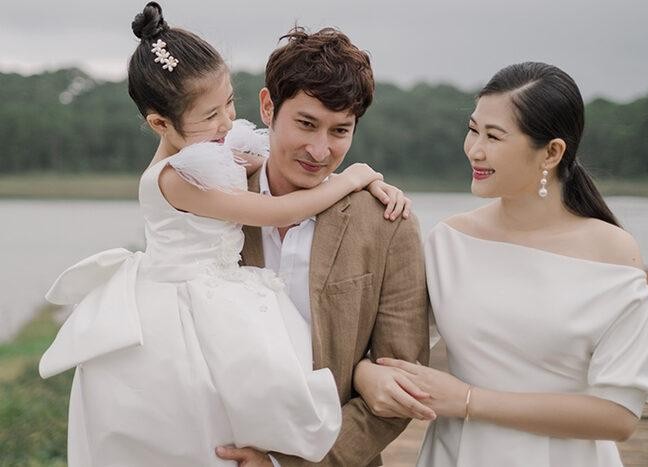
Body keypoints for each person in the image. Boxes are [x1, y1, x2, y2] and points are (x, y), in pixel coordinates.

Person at [38, 3, 411, 466]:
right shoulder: (176, 178)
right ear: (160, 124)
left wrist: (362, 186)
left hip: (219, 298)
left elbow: (270, 165)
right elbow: (274, 208)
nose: (226, 123)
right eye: (210, 114)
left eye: (228, 104)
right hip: (184, 305)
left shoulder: (212, 158)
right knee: (198, 413)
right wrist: (352, 177)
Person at [353, 62, 648, 467]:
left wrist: (468, 400)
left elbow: (619, 416)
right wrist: (365, 374)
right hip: (458, 456)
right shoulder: (450, 242)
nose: (474, 149)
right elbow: (385, 345)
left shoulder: (612, 253)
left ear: (552, 152)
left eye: (494, 136)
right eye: (473, 129)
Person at [214, 27, 431, 467]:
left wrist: (286, 465)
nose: (319, 150)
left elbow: (399, 388)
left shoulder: (388, 224)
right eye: (306, 124)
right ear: (268, 107)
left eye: (340, 131)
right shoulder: (214, 204)